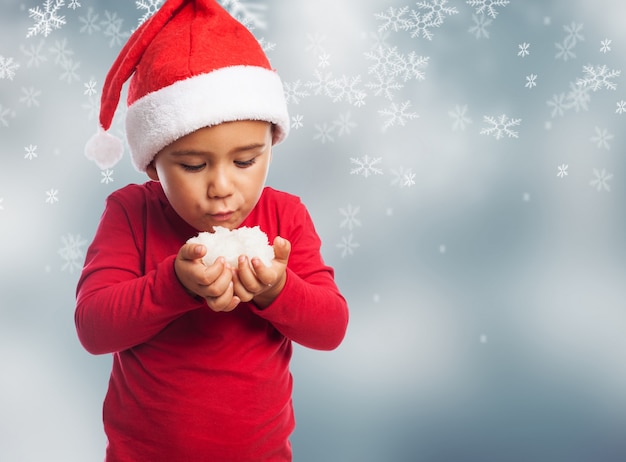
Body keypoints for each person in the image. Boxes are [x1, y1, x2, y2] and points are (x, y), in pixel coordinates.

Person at [74, 1, 349, 460]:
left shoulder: (287, 216)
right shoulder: (130, 212)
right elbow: (93, 329)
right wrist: (174, 284)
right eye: (194, 165)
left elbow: (331, 328)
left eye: (245, 161)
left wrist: (277, 289)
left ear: (270, 147)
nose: (222, 187)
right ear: (154, 161)